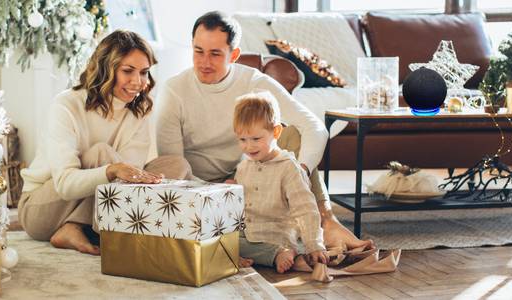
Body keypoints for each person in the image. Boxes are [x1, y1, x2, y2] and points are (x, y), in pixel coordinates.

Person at [156, 11, 372, 251]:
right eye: (198, 51)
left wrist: (300, 170)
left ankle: (327, 222)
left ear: (234, 55)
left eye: (215, 54)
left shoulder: (253, 82)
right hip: (199, 188)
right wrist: (223, 190)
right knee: (173, 166)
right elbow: (173, 169)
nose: (204, 62)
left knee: (292, 135)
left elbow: (314, 127)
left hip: (249, 176)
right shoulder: (174, 90)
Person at [19, 30, 192, 255]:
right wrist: (111, 170)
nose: (138, 82)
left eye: (144, 72)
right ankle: (104, 231)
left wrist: (121, 172)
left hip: (100, 207)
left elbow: (129, 180)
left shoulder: (138, 110)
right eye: (128, 71)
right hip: (43, 208)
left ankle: (79, 227)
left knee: (176, 165)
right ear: (105, 69)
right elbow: (65, 184)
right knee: (102, 154)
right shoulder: (67, 105)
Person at [233, 92, 328, 273]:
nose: (248, 146)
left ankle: (277, 254)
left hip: (275, 234)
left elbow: (305, 208)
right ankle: (236, 254)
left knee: (232, 245)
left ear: (276, 132)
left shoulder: (289, 168)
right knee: (213, 240)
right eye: (242, 140)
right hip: (247, 231)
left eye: (256, 139)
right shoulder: (244, 166)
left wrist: (314, 244)